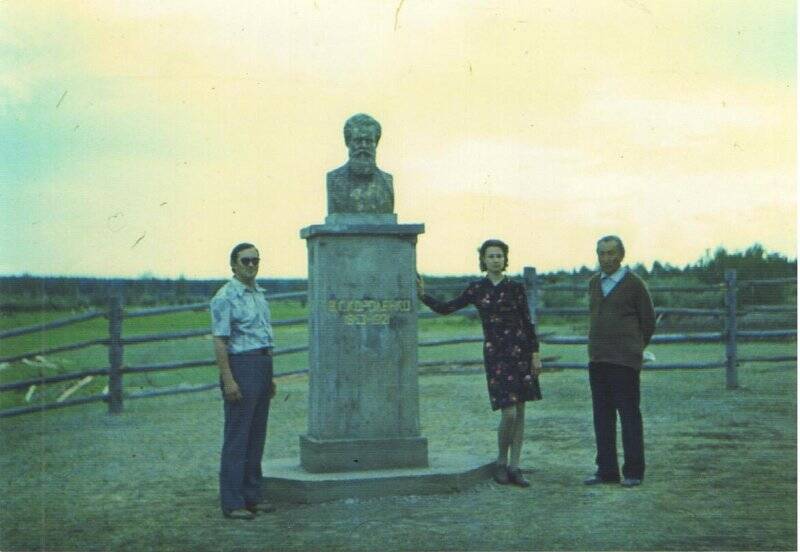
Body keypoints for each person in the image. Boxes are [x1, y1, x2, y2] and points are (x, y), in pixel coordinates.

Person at [417, 239, 543, 487]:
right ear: (483, 260)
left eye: (499, 256)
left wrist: (535, 354)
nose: (495, 260)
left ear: (505, 259)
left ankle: (515, 467)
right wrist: (423, 296)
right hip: (496, 354)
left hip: (521, 353)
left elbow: (528, 322)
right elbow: (446, 308)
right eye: (491, 256)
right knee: (508, 413)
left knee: (520, 413)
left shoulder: (515, 288)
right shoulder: (477, 289)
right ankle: (500, 462)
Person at [210, 242, 277, 519]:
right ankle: (233, 502)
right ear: (233, 265)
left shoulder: (259, 294)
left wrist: (269, 377)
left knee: (256, 436)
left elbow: (264, 336)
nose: (251, 265)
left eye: (255, 260)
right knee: (238, 437)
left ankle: (252, 495)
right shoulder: (225, 297)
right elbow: (220, 340)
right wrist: (229, 380)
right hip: (241, 365)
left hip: (262, 364)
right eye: (246, 261)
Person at [584, 235, 655, 488]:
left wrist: (633, 349)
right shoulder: (594, 283)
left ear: (621, 255)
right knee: (602, 417)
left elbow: (648, 322)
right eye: (601, 253)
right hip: (598, 359)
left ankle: (634, 471)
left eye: (611, 253)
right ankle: (606, 470)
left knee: (628, 416)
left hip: (624, 362)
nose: (606, 258)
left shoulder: (634, 284)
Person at [326, 113, 394, 214]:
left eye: (368, 141)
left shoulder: (387, 181)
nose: (363, 146)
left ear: (376, 144)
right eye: (358, 141)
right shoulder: (334, 179)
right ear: (348, 143)